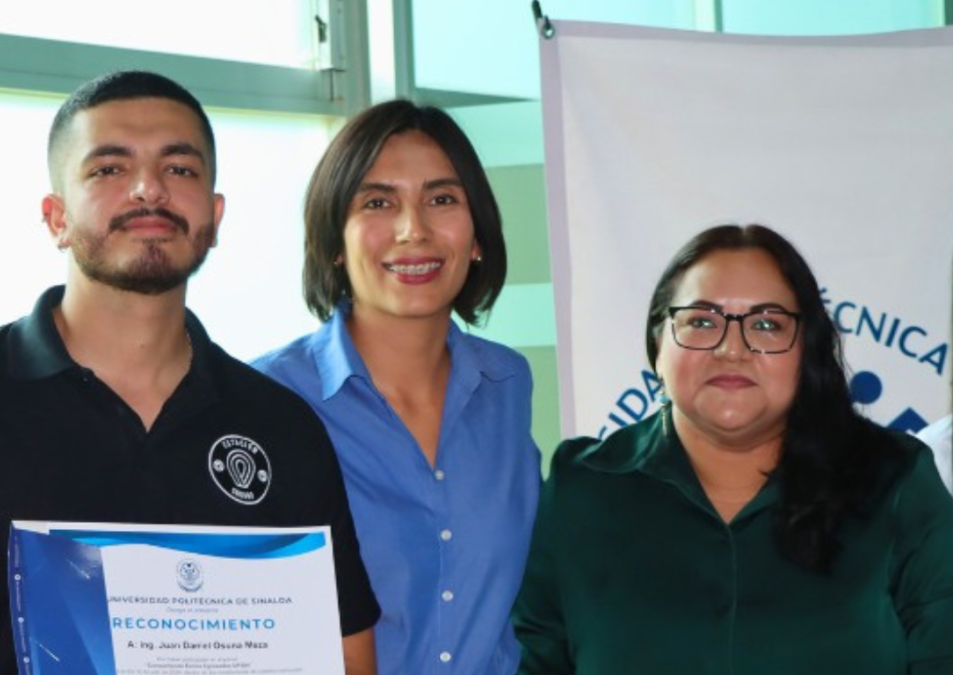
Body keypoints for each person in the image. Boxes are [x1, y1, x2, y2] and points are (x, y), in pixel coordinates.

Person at [0, 70, 379, 675]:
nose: (149, 189)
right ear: (55, 216)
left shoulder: (281, 426)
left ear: (214, 217)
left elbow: (345, 652)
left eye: (180, 169)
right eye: (108, 169)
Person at [513, 224, 953, 674]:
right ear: (657, 346)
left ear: (807, 350)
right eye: (701, 321)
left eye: (766, 324)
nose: (731, 348)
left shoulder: (896, 483)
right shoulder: (582, 492)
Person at [253, 100, 541, 675]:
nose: (414, 230)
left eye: (442, 199)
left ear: (478, 235)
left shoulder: (508, 385)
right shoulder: (268, 400)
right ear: (335, 239)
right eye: (378, 202)